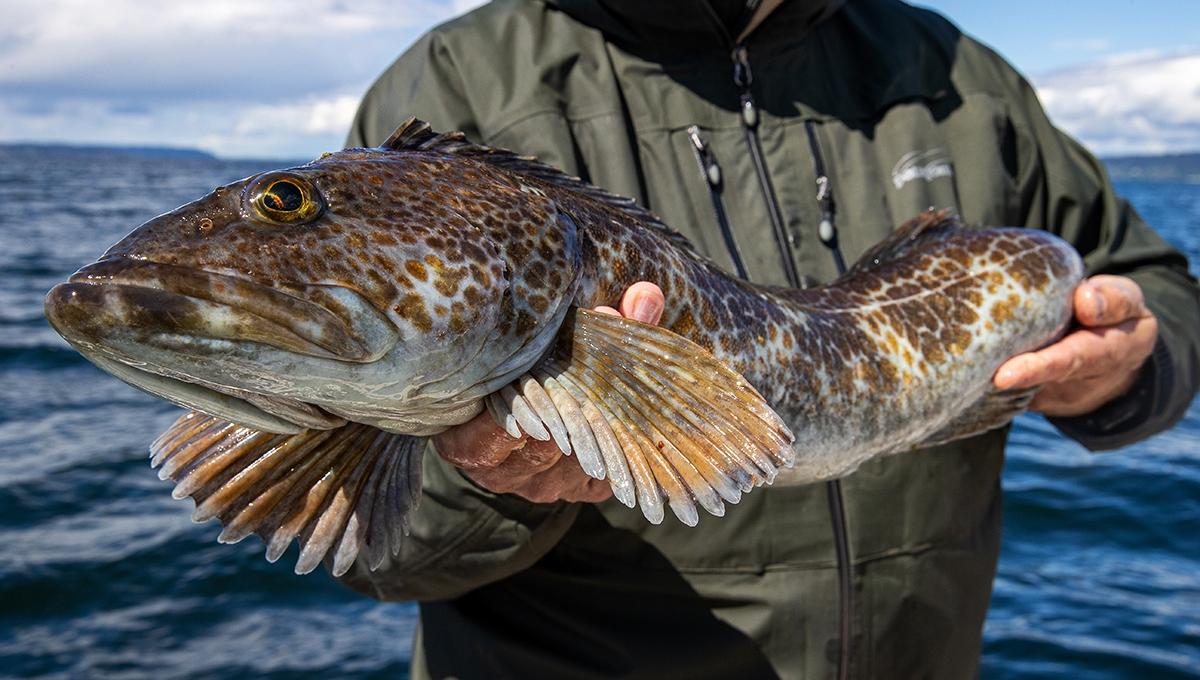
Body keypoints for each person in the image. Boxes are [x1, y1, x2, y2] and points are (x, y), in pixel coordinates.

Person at [338, 1, 1200, 677]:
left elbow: (1155, 283)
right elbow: (371, 541)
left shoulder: (958, 72)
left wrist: (1128, 370)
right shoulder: (459, 84)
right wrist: (494, 478)